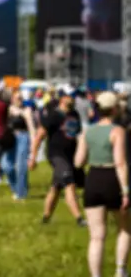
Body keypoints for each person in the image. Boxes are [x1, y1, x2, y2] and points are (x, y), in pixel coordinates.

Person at [74, 92, 130, 277]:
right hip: (112, 179)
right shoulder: (117, 131)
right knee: (125, 228)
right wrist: (126, 191)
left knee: (96, 236)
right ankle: (120, 270)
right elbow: (120, 162)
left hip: (93, 179)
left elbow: (78, 162)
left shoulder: (87, 132)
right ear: (114, 109)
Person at [29, 91, 87, 226]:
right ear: (62, 99)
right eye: (69, 96)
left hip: (71, 155)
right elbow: (39, 136)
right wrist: (33, 157)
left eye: (73, 96)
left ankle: (45, 218)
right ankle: (79, 219)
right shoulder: (53, 115)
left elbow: (78, 136)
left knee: (56, 187)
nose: (72, 99)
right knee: (69, 183)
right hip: (57, 155)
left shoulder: (74, 114)